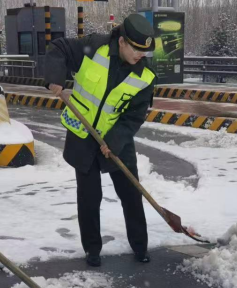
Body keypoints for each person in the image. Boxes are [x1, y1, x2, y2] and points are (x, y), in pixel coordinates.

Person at [45, 14, 157, 267]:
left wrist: (114, 141)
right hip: (83, 135)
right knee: (89, 196)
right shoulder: (95, 48)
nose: (141, 55)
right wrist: (55, 76)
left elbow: (134, 116)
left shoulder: (146, 76)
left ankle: (140, 246)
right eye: (137, 49)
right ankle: (92, 249)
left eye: (145, 51)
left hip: (116, 138)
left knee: (131, 192)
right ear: (122, 42)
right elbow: (59, 47)